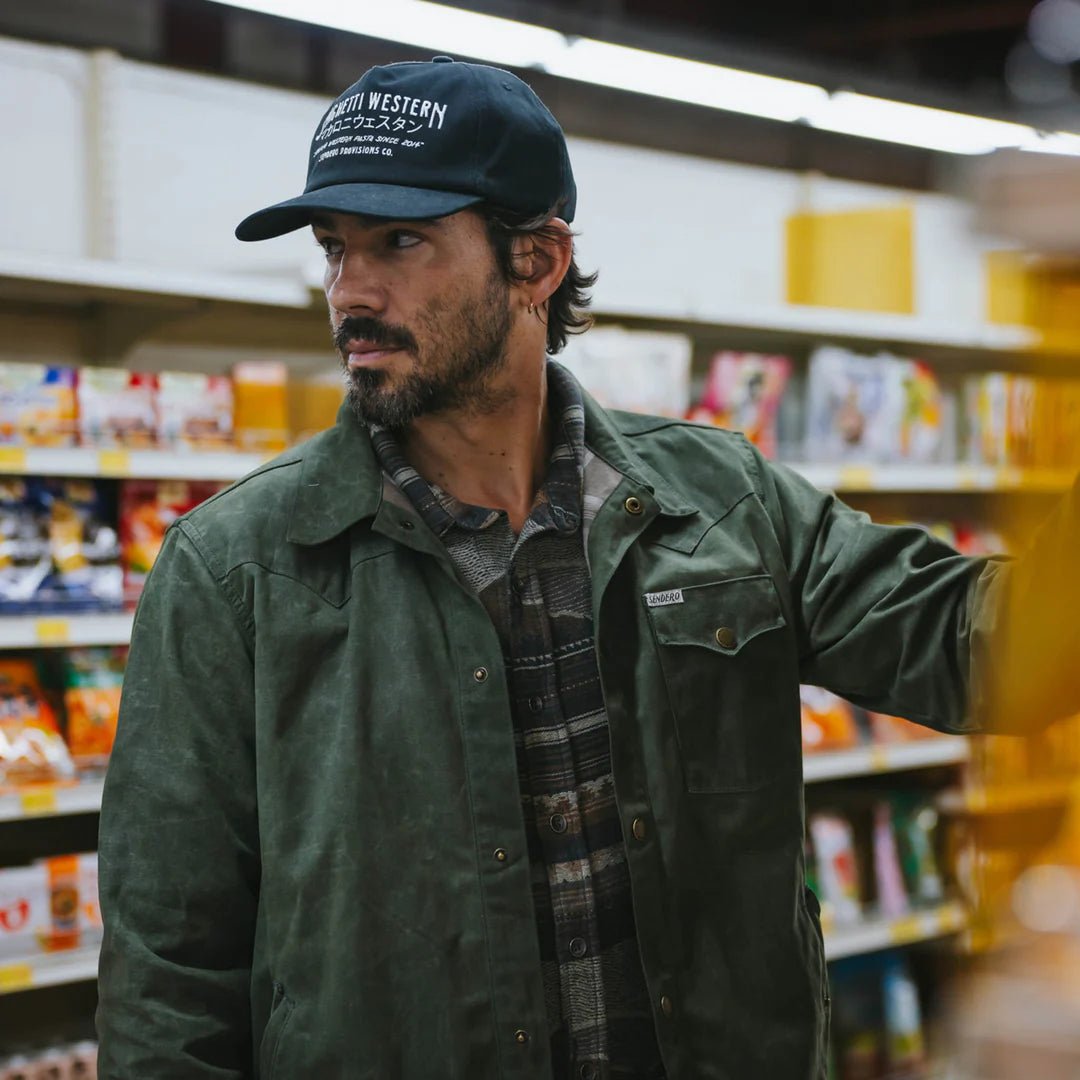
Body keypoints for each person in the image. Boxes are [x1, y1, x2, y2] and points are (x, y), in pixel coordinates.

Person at [96, 56, 1080, 1080]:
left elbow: (993, 650)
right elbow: (170, 967)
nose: (352, 292)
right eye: (334, 248)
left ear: (537, 261)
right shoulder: (238, 569)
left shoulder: (723, 502)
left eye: (400, 242)